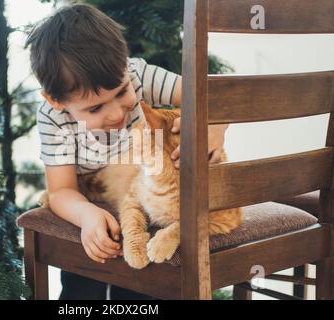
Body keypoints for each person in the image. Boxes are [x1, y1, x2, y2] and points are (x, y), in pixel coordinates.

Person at [25, 3, 228, 300]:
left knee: (142, 285)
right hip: (95, 198)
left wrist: (217, 124)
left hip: (148, 202)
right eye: (95, 108)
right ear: (57, 102)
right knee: (83, 281)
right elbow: (60, 191)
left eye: (122, 92)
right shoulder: (53, 117)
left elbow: (219, 95)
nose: (116, 114)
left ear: (125, 66)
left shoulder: (137, 75)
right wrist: (86, 216)